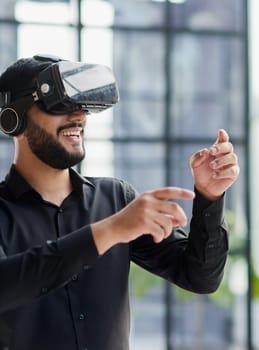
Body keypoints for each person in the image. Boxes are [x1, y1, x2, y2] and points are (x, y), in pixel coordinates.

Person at [0, 55, 239, 350]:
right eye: (59, 104)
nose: (78, 116)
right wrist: (109, 231)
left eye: (81, 104)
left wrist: (210, 196)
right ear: (14, 120)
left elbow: (200, 277)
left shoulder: (116, 200)